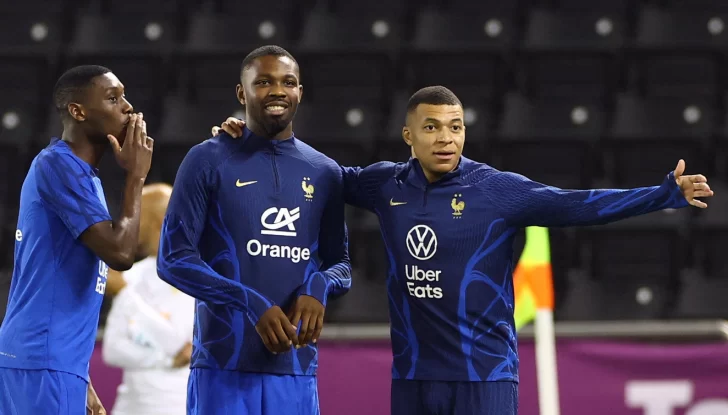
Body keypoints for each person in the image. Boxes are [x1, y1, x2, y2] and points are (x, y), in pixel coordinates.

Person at [214, 85, 714, 414]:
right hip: (413, 378)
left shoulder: (497, 190)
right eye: (431, 127)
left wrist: (663, 194)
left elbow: (578, 204)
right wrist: (250, 142)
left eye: (455, 127)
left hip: (485, 378)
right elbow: (312, 173)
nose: (445, 138)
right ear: (409, 135)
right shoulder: (385, 184)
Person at [156, 45, 352, 415]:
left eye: (288, 82)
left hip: (296, 372)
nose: (277, 90)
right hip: (222, 368)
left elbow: (340, 265)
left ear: (300, 92)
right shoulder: (207, 159)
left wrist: (318, 287)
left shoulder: (325, 172)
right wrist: (249, 302)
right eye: (263, 82)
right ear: (241, 93)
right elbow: (172, 260)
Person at [0, 65, 153, 415]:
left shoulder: (81, 176)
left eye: (124, 96)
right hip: (43, 361)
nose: (127, 107)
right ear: (77, 111)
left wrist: (81, 375)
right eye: (113, 98)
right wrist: (136, 176)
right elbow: (121, 254)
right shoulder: (59, 165)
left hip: (49, 361)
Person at [102, 183, 195, 415]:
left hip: (174, 405)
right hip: (128, 406)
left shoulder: (194, 276)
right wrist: (164, 360)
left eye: (138, 214)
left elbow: (180, 345)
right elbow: (112, 349)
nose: (130, 223)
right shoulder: (131, 275)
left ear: (159, 222)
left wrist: (125, 295)